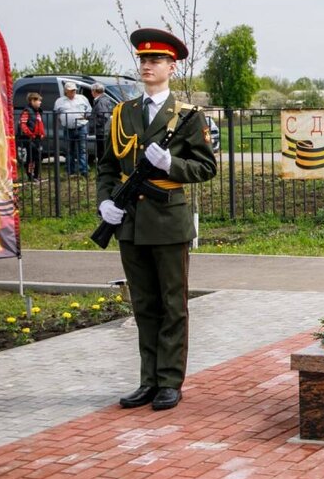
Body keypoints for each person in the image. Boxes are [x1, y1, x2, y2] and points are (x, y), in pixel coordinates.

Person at [97, 28, 217, 411]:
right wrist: (105, 204)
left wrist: (172, 164)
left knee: (172, 304)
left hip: (167, 220)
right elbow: (106, 167)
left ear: (171, 66)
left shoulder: (186, 117)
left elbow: (206, 167)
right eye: (143, 60)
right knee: (143, 305)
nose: (147, 66)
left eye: (156, 61)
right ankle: (147, 380)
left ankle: (169, 381)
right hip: (129, 222)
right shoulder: (122, 113)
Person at [54, 80, 91, 176]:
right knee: (69, 151)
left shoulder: (82, 98)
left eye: (74, 90)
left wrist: (84, 117)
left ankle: (84, 171)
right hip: (68, 129)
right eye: (71, 90)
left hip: (81, 127)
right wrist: (63, 121)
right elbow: (56, 114)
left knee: (82, 150)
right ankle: (70, 171)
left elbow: (89, 110)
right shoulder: (59, 101)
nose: (73, 92)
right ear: (66, 91)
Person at [18, 93, 45, 182]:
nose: (40, 102)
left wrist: (42, 133)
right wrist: (30, 135)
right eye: (38, 100)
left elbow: (40, 124)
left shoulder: (38, 111)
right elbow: (23, 125)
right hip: (29, 138)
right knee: (31, 158)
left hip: (37, 138)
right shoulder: (27, 111)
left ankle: (36, 176)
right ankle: (31, 176)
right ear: (32, 101)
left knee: (38, 157)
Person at [90, 82, 117, 161]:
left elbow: (103, 117)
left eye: (92, 91)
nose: (91, 93)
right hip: (104, 130)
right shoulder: (104, 99)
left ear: (94, 91)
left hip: (102, 130)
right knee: (102, 151)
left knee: (101, 152)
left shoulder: (101, 101)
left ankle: (102, 169)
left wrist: (94, 124)